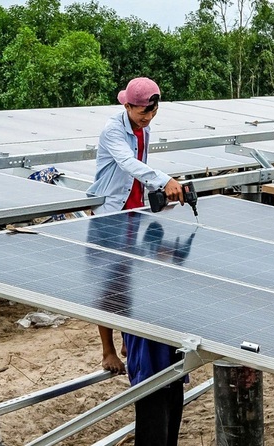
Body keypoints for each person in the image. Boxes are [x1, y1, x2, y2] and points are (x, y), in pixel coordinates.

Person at [86, 76, 185, 446]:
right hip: (108, 214)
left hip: (134, 214)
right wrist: (164, 180)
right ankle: (109, 349)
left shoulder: (143, 130)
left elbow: (140, 171)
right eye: (143, 111)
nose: (148, 118)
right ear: (128, 106)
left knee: (131, 279)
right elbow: (128, 164)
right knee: (107, 284)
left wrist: (159, 193)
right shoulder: (114, 131)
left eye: (152, 112)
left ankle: (130, 341)